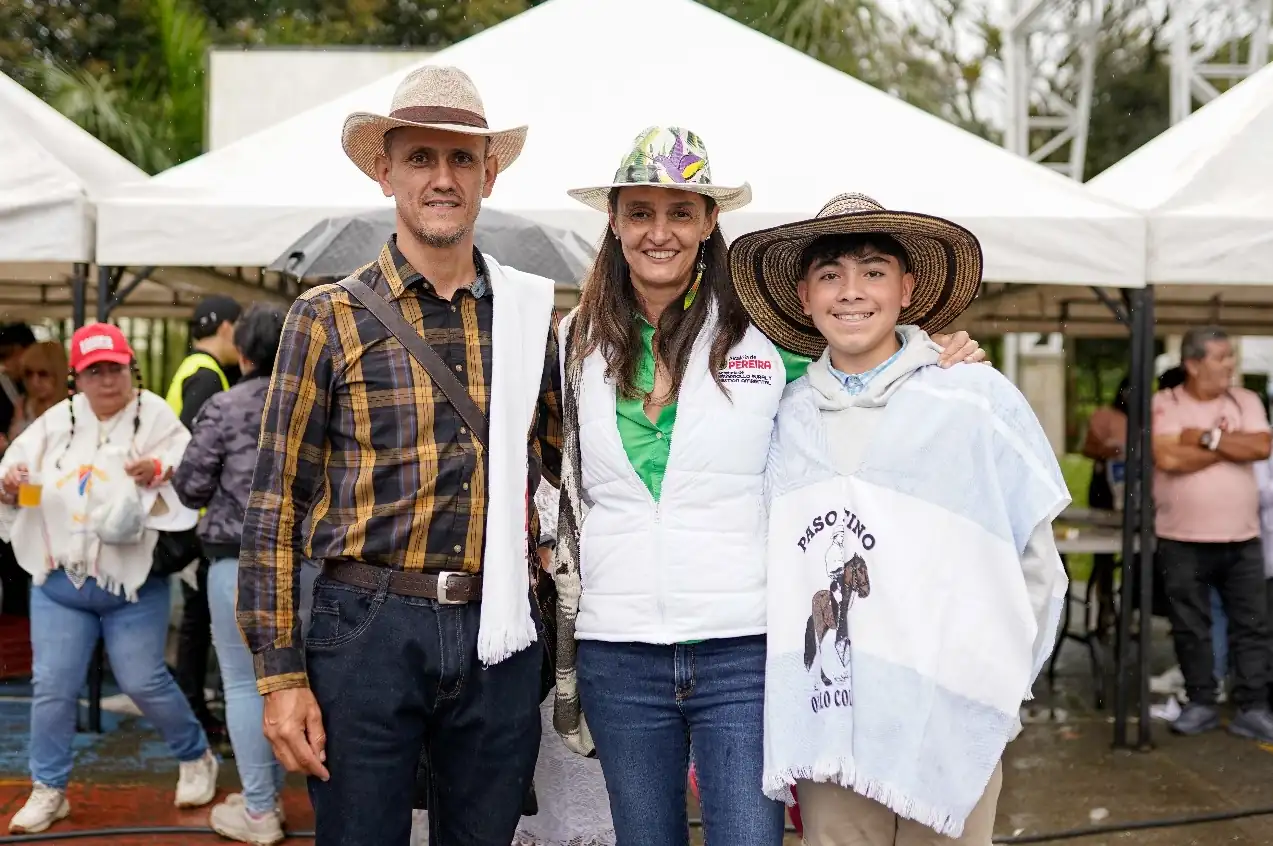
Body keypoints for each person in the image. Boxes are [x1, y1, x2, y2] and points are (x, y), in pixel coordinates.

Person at [549, 131, 983, 846]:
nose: (660, 232)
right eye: (640, 213)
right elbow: (550, 469)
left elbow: (861, 365)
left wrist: (935, 354)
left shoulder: (764, 337)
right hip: (617, 648)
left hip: (745, 648)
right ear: (615, 222)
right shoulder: (573, 340)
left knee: (749, 839)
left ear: (709, 221)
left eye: (680, 212)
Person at [237, 65, 560, 846]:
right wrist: (279, 678)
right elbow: (274, 505)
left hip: (499, 625)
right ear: (386, 172)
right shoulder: (326, 317)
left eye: (460, 159)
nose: (441, 178)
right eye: (420, 157)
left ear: (489, 173)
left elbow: (567, 470)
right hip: (365, 625)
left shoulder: (528, 317)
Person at [730, 193, 1068, 846]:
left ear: (907, 289)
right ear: (803, 295)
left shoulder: (973, 401)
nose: (850, 292)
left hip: (943, 721)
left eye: (873, 271)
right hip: (831, 723)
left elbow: (1034, 564)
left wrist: (995, 689)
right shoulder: (780, 420)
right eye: (829, 275)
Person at [0, 323, 216, 835]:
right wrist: (13, 492)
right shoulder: (55, 423)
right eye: (95, 371)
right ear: (77, 377)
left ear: (128, 369)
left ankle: (195, 756)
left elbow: (194, 473)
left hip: (132, 581)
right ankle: (48, 789)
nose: (107, 380)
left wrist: (160, 470)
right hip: (61, 582)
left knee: (144, 680)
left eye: (115, 368)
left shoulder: (156, 415)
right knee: (52, 686)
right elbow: (35, 498)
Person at [173, 304, 289, 845]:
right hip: (310, 563)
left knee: (244, 686)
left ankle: (261, 812)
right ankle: (313, 798)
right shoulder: (313, 402)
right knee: (303, 682)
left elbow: (190, 488)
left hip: (235, 563)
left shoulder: (222, 406)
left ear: (242, 353)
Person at [1152, 326, 1273, 742]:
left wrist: (1205, 438)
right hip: (1181, 537)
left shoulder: (1246, 400)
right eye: (1221, 357)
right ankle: (1201, 702)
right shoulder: (1165, 401)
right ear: (1193, 363)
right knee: (1190, 625)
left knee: (1252, 625)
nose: (1230, 365)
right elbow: (1166, 456)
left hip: (1243, 538)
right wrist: (1227, 446)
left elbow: (1260, 447)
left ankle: (1253, 706)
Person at [168, 294, 243, 744]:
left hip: (192, 514)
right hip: (197, 518)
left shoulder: (193, 369)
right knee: (199, 622)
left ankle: (194, 705)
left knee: (198, 621)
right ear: (229, 329)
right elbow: (200, 452)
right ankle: (194, 709)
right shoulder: (205, 375)